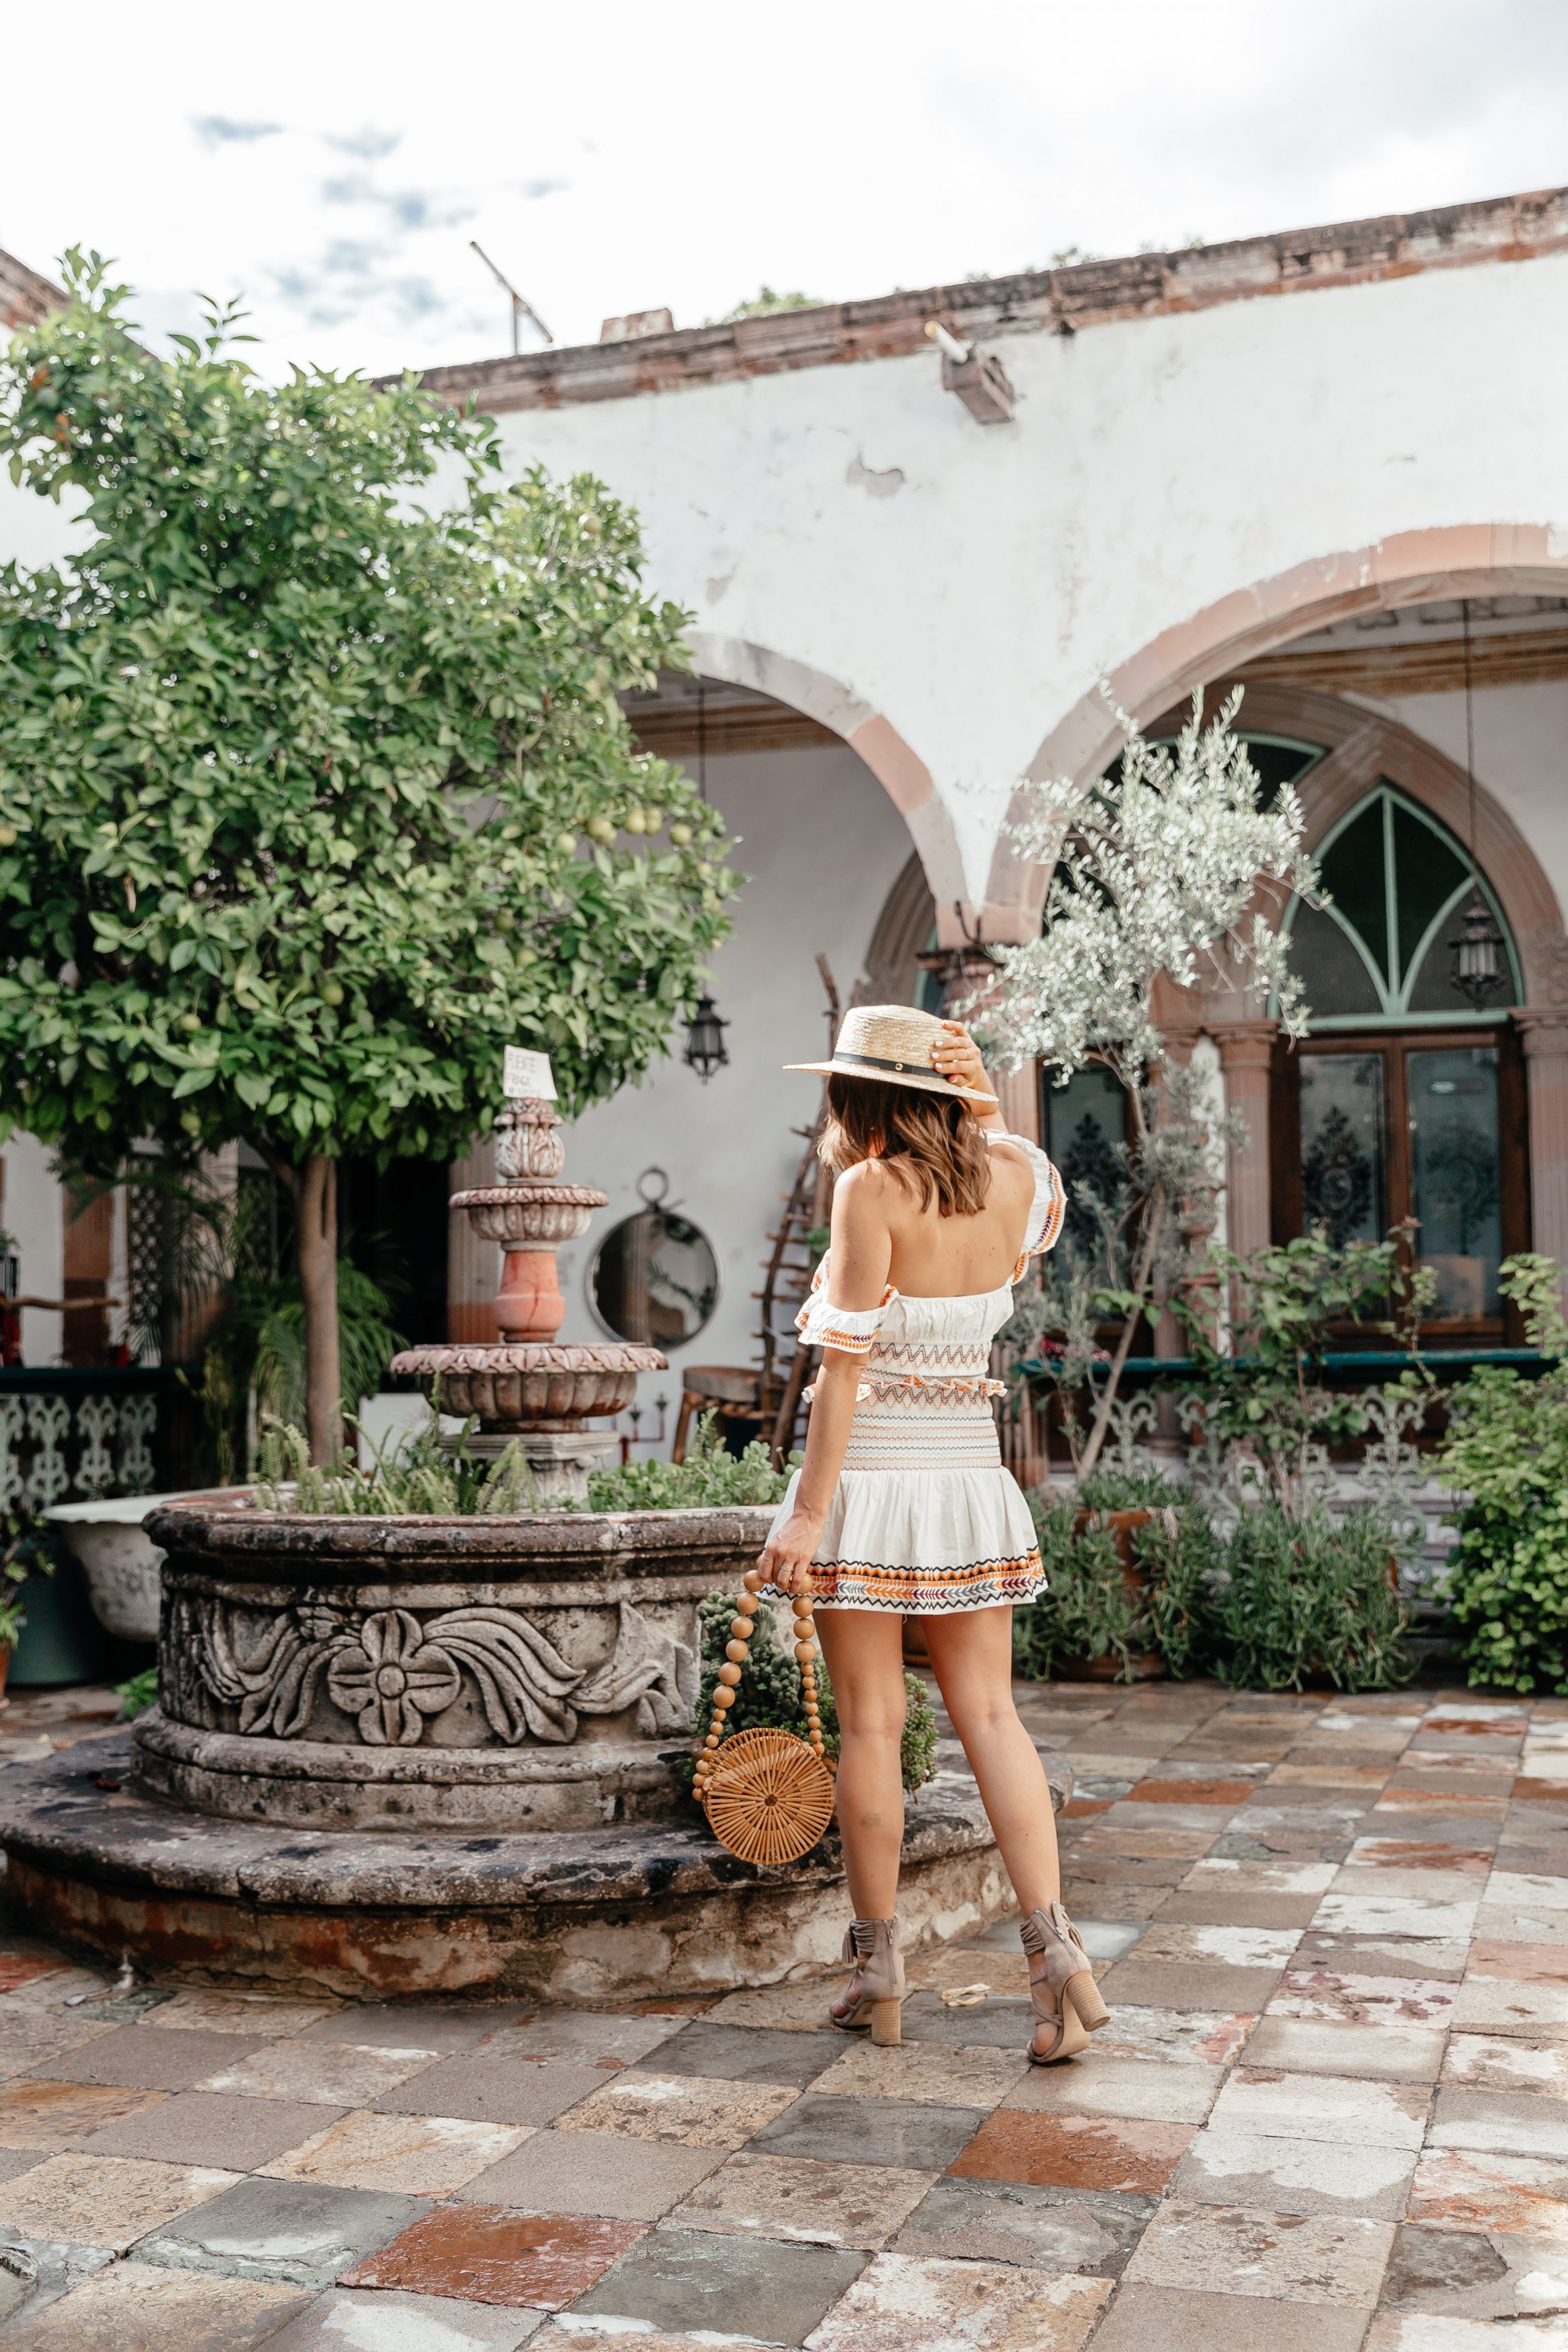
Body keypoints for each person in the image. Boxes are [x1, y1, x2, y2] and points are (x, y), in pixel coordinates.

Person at [759, 1004, 1108, 2063]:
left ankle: (880, 1970)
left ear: (859, 1095)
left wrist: (806, 1511)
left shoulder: (869, 1190)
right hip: (967, 1480)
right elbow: (1027, 1175)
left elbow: (841, 1372)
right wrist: (983, 1096)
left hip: (873, 1480)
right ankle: (1057, 1956)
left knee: (871, 1726)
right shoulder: (1011, 1180)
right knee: (993, 1716)